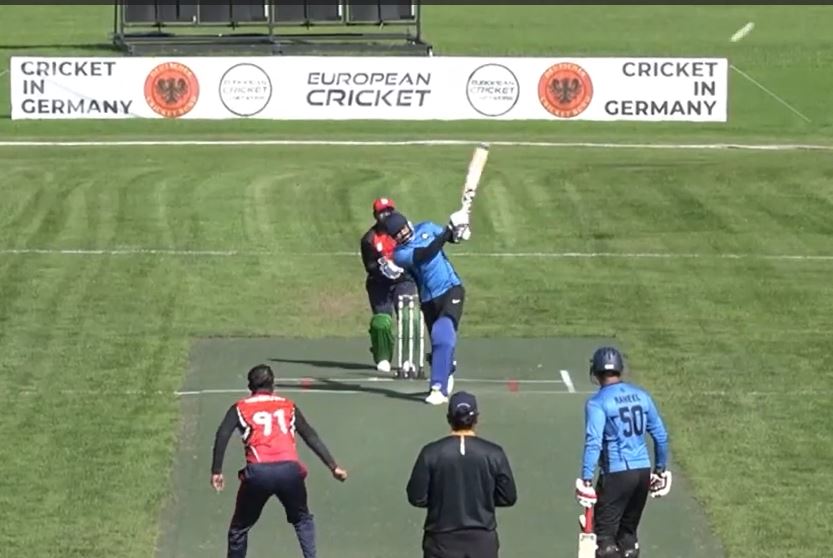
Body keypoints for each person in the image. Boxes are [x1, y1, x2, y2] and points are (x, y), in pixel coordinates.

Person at [210, 364, 348, 558]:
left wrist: (216, 470)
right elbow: (310, 435)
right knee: (302, 520)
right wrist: (333, 466)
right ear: (273, 384)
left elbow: (222, 434)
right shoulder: (288, 405)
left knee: (239, 529)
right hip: (289, 470)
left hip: (259, 473)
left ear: (250, 387)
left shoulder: (240, 407)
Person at [575, 347, 672, 558]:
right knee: (628, 536)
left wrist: (586, 479)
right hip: (643, 472)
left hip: (617, 474)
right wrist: (660, 469)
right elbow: (661, 435)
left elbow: (594, 442)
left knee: (605, 542)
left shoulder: (597, 403)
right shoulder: (642, 396)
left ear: (596, 372)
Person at [406, 391, 517, 558]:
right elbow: (508, 497)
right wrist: (482, 499)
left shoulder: (431, 453)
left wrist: (441, 501)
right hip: (482, 542)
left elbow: (416, 497)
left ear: (448, 418)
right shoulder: (494, 453)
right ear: (476, 418)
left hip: (441, 541)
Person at [382, 208, 469, 404]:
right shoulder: (400, 254)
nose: (402, 234)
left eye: (402, 229)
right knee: (440, 341)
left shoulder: (428, 228)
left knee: (442, 331)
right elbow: (425, 254)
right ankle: (447, 369)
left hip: (451, 289)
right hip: (428, 301)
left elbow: (450, 238)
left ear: (408, 224)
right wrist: (448, 231)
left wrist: (459, 232)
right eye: (397, 234)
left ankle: (438, 388)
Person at [360, 197, 418, 374]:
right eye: (381, 212)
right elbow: (370, 266)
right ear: (375, 215)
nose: (385, 215)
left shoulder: (404, 232)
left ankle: (408, 358)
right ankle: (382, 355)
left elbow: (415, 252)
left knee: (409, 317)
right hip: (380, 284)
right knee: (381, 322)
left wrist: (402, 270)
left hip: (404, 280)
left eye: (388, 211)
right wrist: (383, 269)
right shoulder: (369, 239)